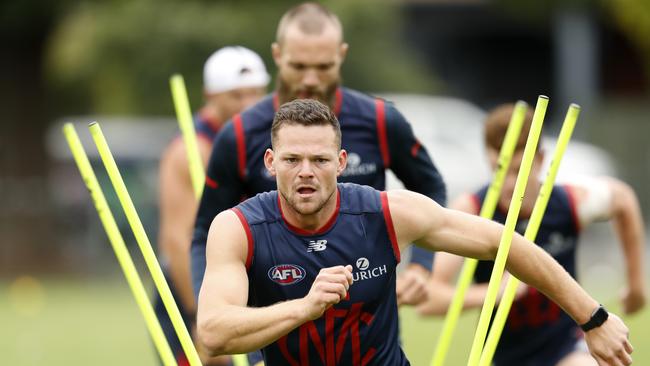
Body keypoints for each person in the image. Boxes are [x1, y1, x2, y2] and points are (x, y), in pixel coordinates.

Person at [196, 98, 633, 366]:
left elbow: (505, 242)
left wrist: (592, 319)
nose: (306, 173)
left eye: (321, 160)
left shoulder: (387, 213)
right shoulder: (238, 228)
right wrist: (304, 307)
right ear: (270, 163)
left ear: (342, 162)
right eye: (292, 160)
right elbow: (213, 333)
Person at [190, 2, 446, 312]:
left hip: (369, 322)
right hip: (272, 320)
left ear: (342, 55)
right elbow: (206, 233)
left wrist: (421, 266)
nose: (311, 79)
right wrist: (211, 311)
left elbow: (430, 188)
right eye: (298, 66)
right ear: (277, 55)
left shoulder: (380, 121)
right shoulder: (240, 134)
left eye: (324, 67)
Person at [417, 103, 646, 366]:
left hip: (564, 347)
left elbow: (623, 200)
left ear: (539, 159)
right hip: (503, 356)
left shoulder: (569, 202)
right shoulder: (473, 210)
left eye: (518, 169)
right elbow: (428, 299)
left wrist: (636, 285)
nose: (510, 183)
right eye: (499, 169)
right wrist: (495, 292)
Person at [157, 46, 269, 365]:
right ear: (210, 94)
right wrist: (202, 316)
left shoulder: (265, 141)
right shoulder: (190, 151)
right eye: (236, 95)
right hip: (194, 288)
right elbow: (177, 240)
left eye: (255, 94)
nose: (247, 104)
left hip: (246, 283)